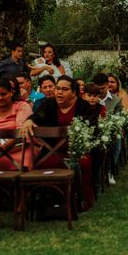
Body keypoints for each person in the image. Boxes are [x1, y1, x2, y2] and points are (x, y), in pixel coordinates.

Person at [22, 76, 99, 210]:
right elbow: (36, 117)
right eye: (57, 89)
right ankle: (50, 202)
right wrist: (29, 121)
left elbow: (92, 131)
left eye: (64, 89)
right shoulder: (49, 104)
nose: (59, 92)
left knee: (84, 163)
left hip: (77, 151)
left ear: (74, 93)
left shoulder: (84, 106)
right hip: (52, 151)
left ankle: (82, 200)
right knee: (42, 164)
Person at [0, 79, 33, 215]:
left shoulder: (21, 106)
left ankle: (22, 201)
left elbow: (21, 129)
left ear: (11, 93)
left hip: (19, 147)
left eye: (3, 94)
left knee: (25, 159)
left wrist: (9, 143)